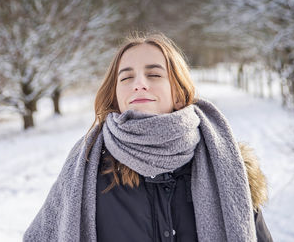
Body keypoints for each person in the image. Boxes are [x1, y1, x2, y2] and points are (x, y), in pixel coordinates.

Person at [23, 32, 273, 242]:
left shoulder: (225, 166)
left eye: (154, 75)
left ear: (178, 93)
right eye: (126, 77)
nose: (139, 84)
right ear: (116, 96)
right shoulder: (86, 172)